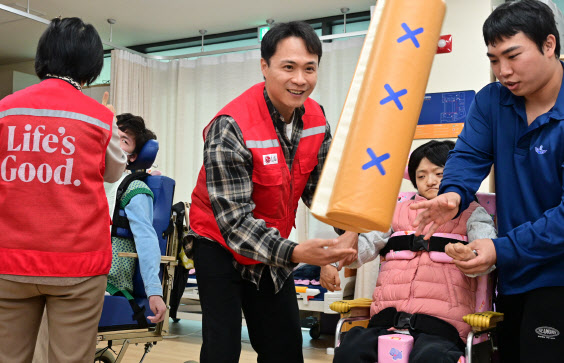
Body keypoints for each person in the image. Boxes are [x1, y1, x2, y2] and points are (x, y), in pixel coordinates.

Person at [188, 21, 356, 363]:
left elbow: (322, 189)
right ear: (265, 66)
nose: (300, 79)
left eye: (309, 68)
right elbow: (235, 223)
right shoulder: (230, 126)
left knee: (285, 350)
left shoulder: (316, 118)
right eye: (288, 67)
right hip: (219, 243)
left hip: (271, 245)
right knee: (222, 350)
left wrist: (350, 230)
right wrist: (296, 252)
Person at [410, 1, 564, 361]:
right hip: (515, 274)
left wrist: (501, 249)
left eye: (512, 56)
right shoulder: (493, 101)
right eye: (494, 59)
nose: (503, 71)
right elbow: (467, 156)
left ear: (549, 45)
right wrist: (451, 195)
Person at [0, 17, 127, 362]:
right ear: (92, 66)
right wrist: (110, 119)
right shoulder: (98, 117)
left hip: (9, 259)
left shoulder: (5, 109)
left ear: (43, 57)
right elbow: (114, 173)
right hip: (78, 264)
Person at [321, 140, 497, 363]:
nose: (430, 181)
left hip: (441, 326)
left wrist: (471, 259)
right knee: (350, 352)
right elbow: (364, 246)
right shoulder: (396, 212)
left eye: (439, 173)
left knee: (432, 358)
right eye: (421, 176)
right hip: (386, 320)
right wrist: (332, 261)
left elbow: (487, 254)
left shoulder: (473, 213)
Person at [104, 113, 167, 324]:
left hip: (108, 282)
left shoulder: (134, 189)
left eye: (123, 140)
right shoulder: (85, 180)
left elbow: (147, 239)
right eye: (114, 135)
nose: (114, 141)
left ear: (132, 156)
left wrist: (153, 291)